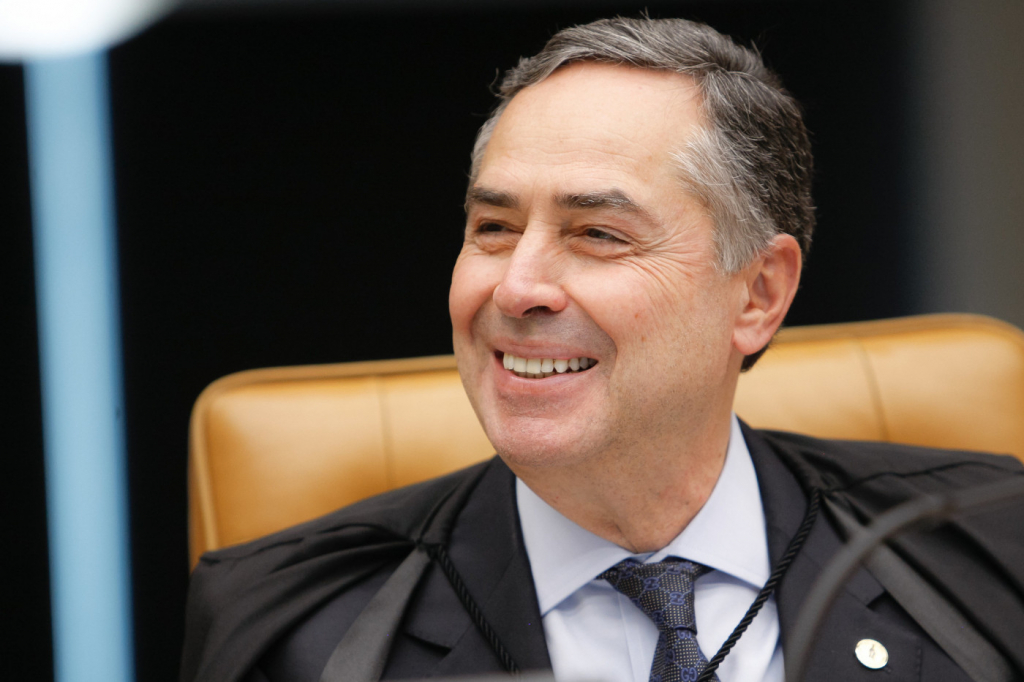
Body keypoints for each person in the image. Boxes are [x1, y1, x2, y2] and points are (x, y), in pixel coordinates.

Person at [180, 17, 1024, 682]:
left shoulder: (987, 551)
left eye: (597, 234)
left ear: (758, 294)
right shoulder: (291, 628)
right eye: (494, 227)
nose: (517, 287)